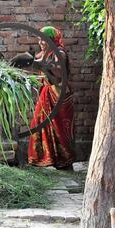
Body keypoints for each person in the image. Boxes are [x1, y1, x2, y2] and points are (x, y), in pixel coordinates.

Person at [28, 26, 75, 168]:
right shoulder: (43, 53)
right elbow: (35, 63)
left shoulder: (59, 52)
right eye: (39, 39)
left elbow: (59, 73)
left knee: (60, 127)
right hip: (46, 93)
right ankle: (46, 160)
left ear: (52, 39)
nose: (41, 42)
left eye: (44, 39)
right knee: (38, 124)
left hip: (59, 94)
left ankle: (63, 161)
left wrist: (42, 65)